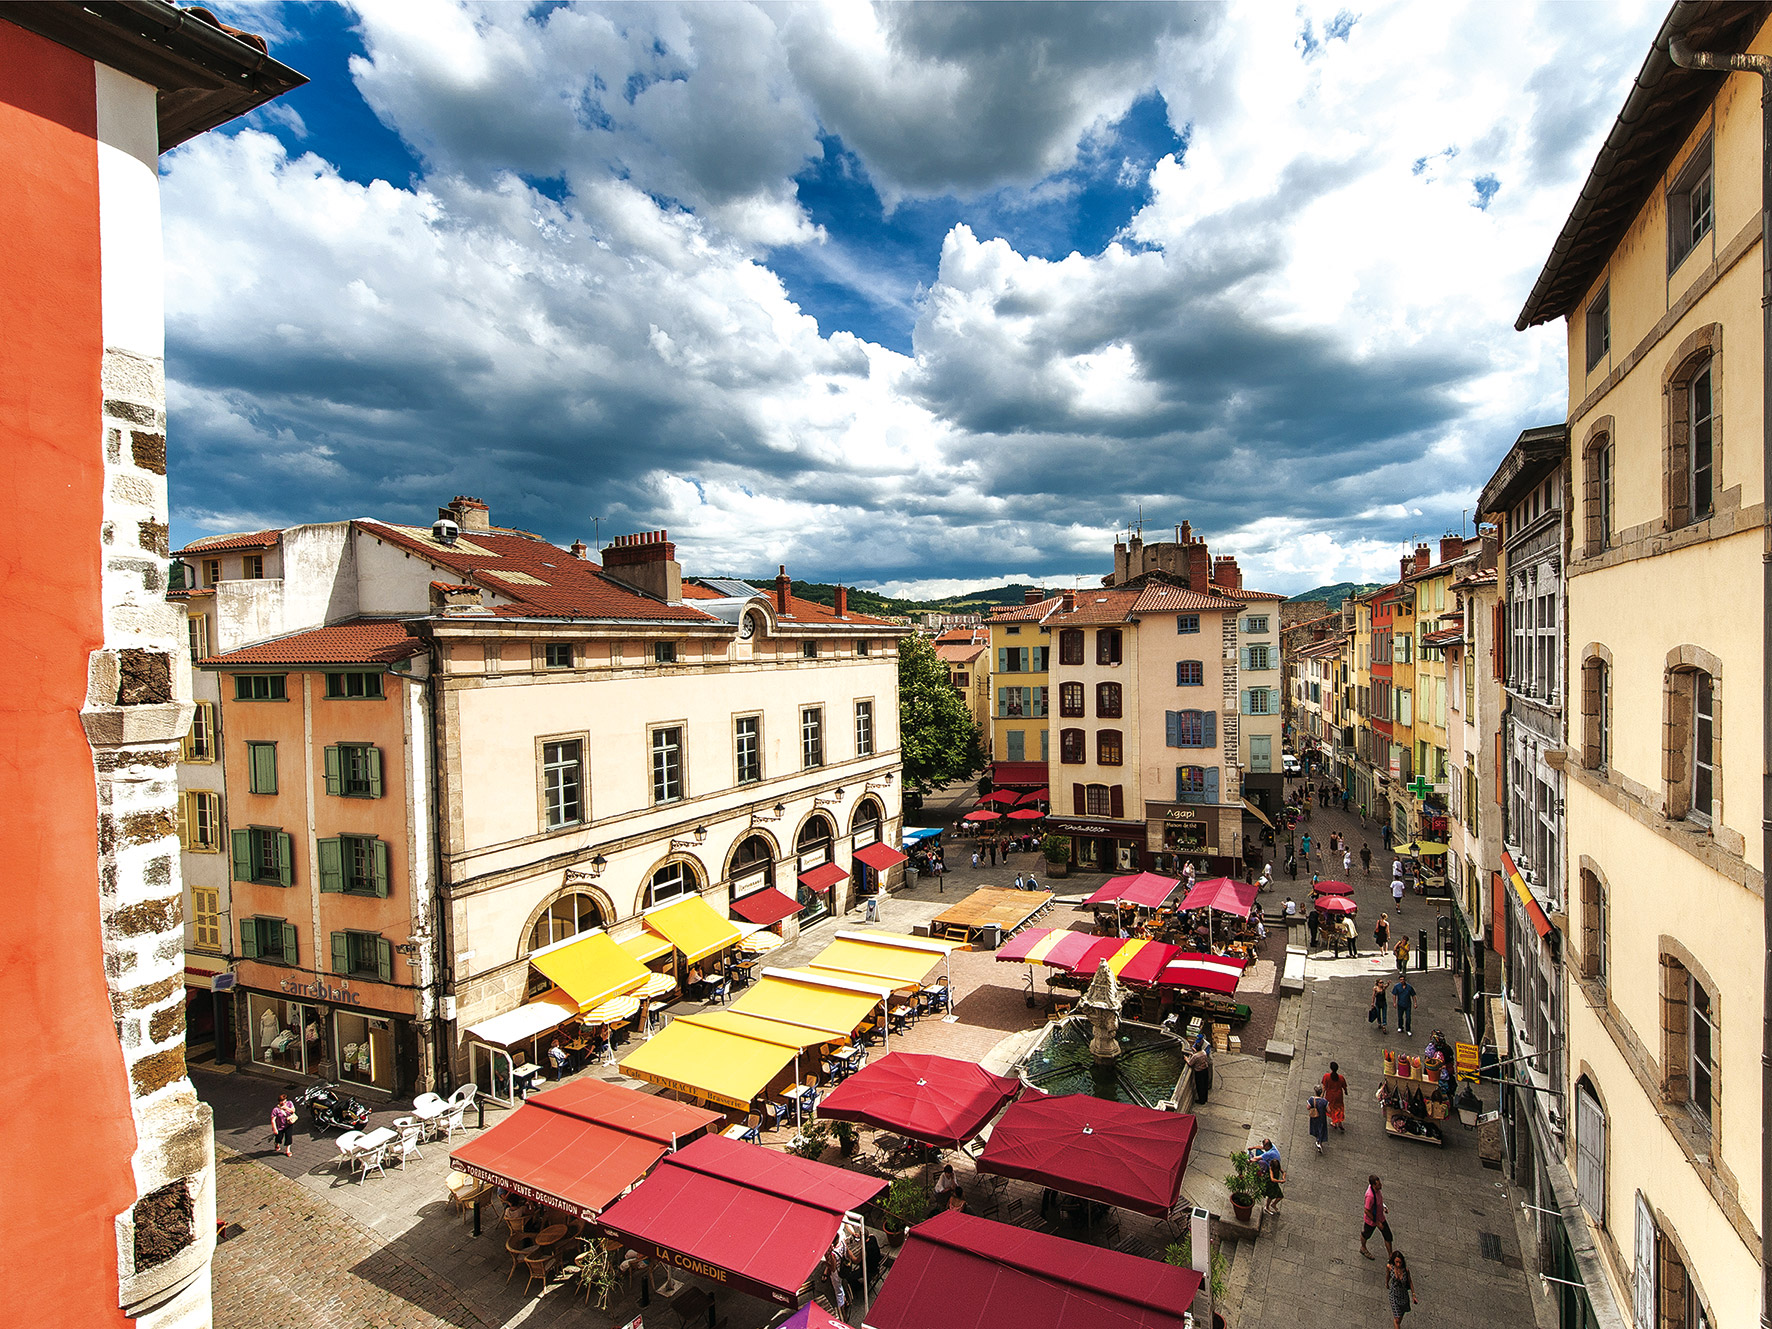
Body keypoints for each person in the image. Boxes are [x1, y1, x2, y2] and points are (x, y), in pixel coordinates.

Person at [1361, 1176, 1394, 1259]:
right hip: (1372, 1221)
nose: (1381, 1185)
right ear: (1373, 1185)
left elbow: (1378, 1201)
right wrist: (1377, 1222)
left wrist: (1383, 1207)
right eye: (1378, 1184)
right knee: (1366, 1235)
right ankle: (1363, 1248)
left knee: (1388, 1236)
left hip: (1380, 1217)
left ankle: (1390, 1256)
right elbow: (1367, 1210)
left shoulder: (1377, 1191)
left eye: (1380, 1183)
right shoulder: (1370, 1196)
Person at [1387, 1251, 1418, 1325]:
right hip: (1394, 1294)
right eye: (1397, 1262)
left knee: (1400, 1317)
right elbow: (1387, 1275)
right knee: (1397, 1320)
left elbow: (1410, 1281)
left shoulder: (1405, 1270)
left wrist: (1413, 1295)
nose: (1398, 1264)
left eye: (1400, 1262)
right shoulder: (1390, 1267)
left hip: (1403, 1295)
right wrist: (1387, 1283)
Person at [1321, 1062, 1348, 1133]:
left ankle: (1334, 1122)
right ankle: (1339, 1122)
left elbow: (1324, 1087)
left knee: (1331, 1108)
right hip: (1339, 1096)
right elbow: (1344, 1086)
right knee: (1339, 1108)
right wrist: (1345, 1092)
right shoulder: (1341, 1078)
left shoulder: (1326, 1076)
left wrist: (1322, 1095)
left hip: (1330, 1095)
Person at [1186, 1035, 1213, 1104]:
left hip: (1200, 1070)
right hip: (1204, 1068)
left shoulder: (1207, 1046)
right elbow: (1194, 1047)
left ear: (1202, 1040)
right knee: (1204, 1084)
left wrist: (1186, 1058)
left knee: (1200, 1085)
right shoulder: (1202, 1052)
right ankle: (1205, 1098)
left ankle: (1201, 1100)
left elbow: (1190, 1063)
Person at [270, 1090, 297, 1156]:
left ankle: (288, 1150)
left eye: (285, 1101)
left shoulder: (289, 1103)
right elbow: (273, 1120)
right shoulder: (276, 1109)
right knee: (279, 1137)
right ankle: (277, 1144)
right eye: (282, 1101)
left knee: (288, 1136)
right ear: (279, 1102)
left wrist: (287, 1108)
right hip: (280, 1126)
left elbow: (293, 1111)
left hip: (289, 1124)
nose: (284, 1103)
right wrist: (275, 1129)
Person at [1307, 1086, 1329, 1154]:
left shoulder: (1311, 1099)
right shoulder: (1324, 1101)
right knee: (1321, 1128)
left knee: (1315, 1128)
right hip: (1322, 1117)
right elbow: (1329, 1110)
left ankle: (1318, 1140)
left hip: (1314, 1117)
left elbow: (1308, 1107)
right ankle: (1319, 1141)